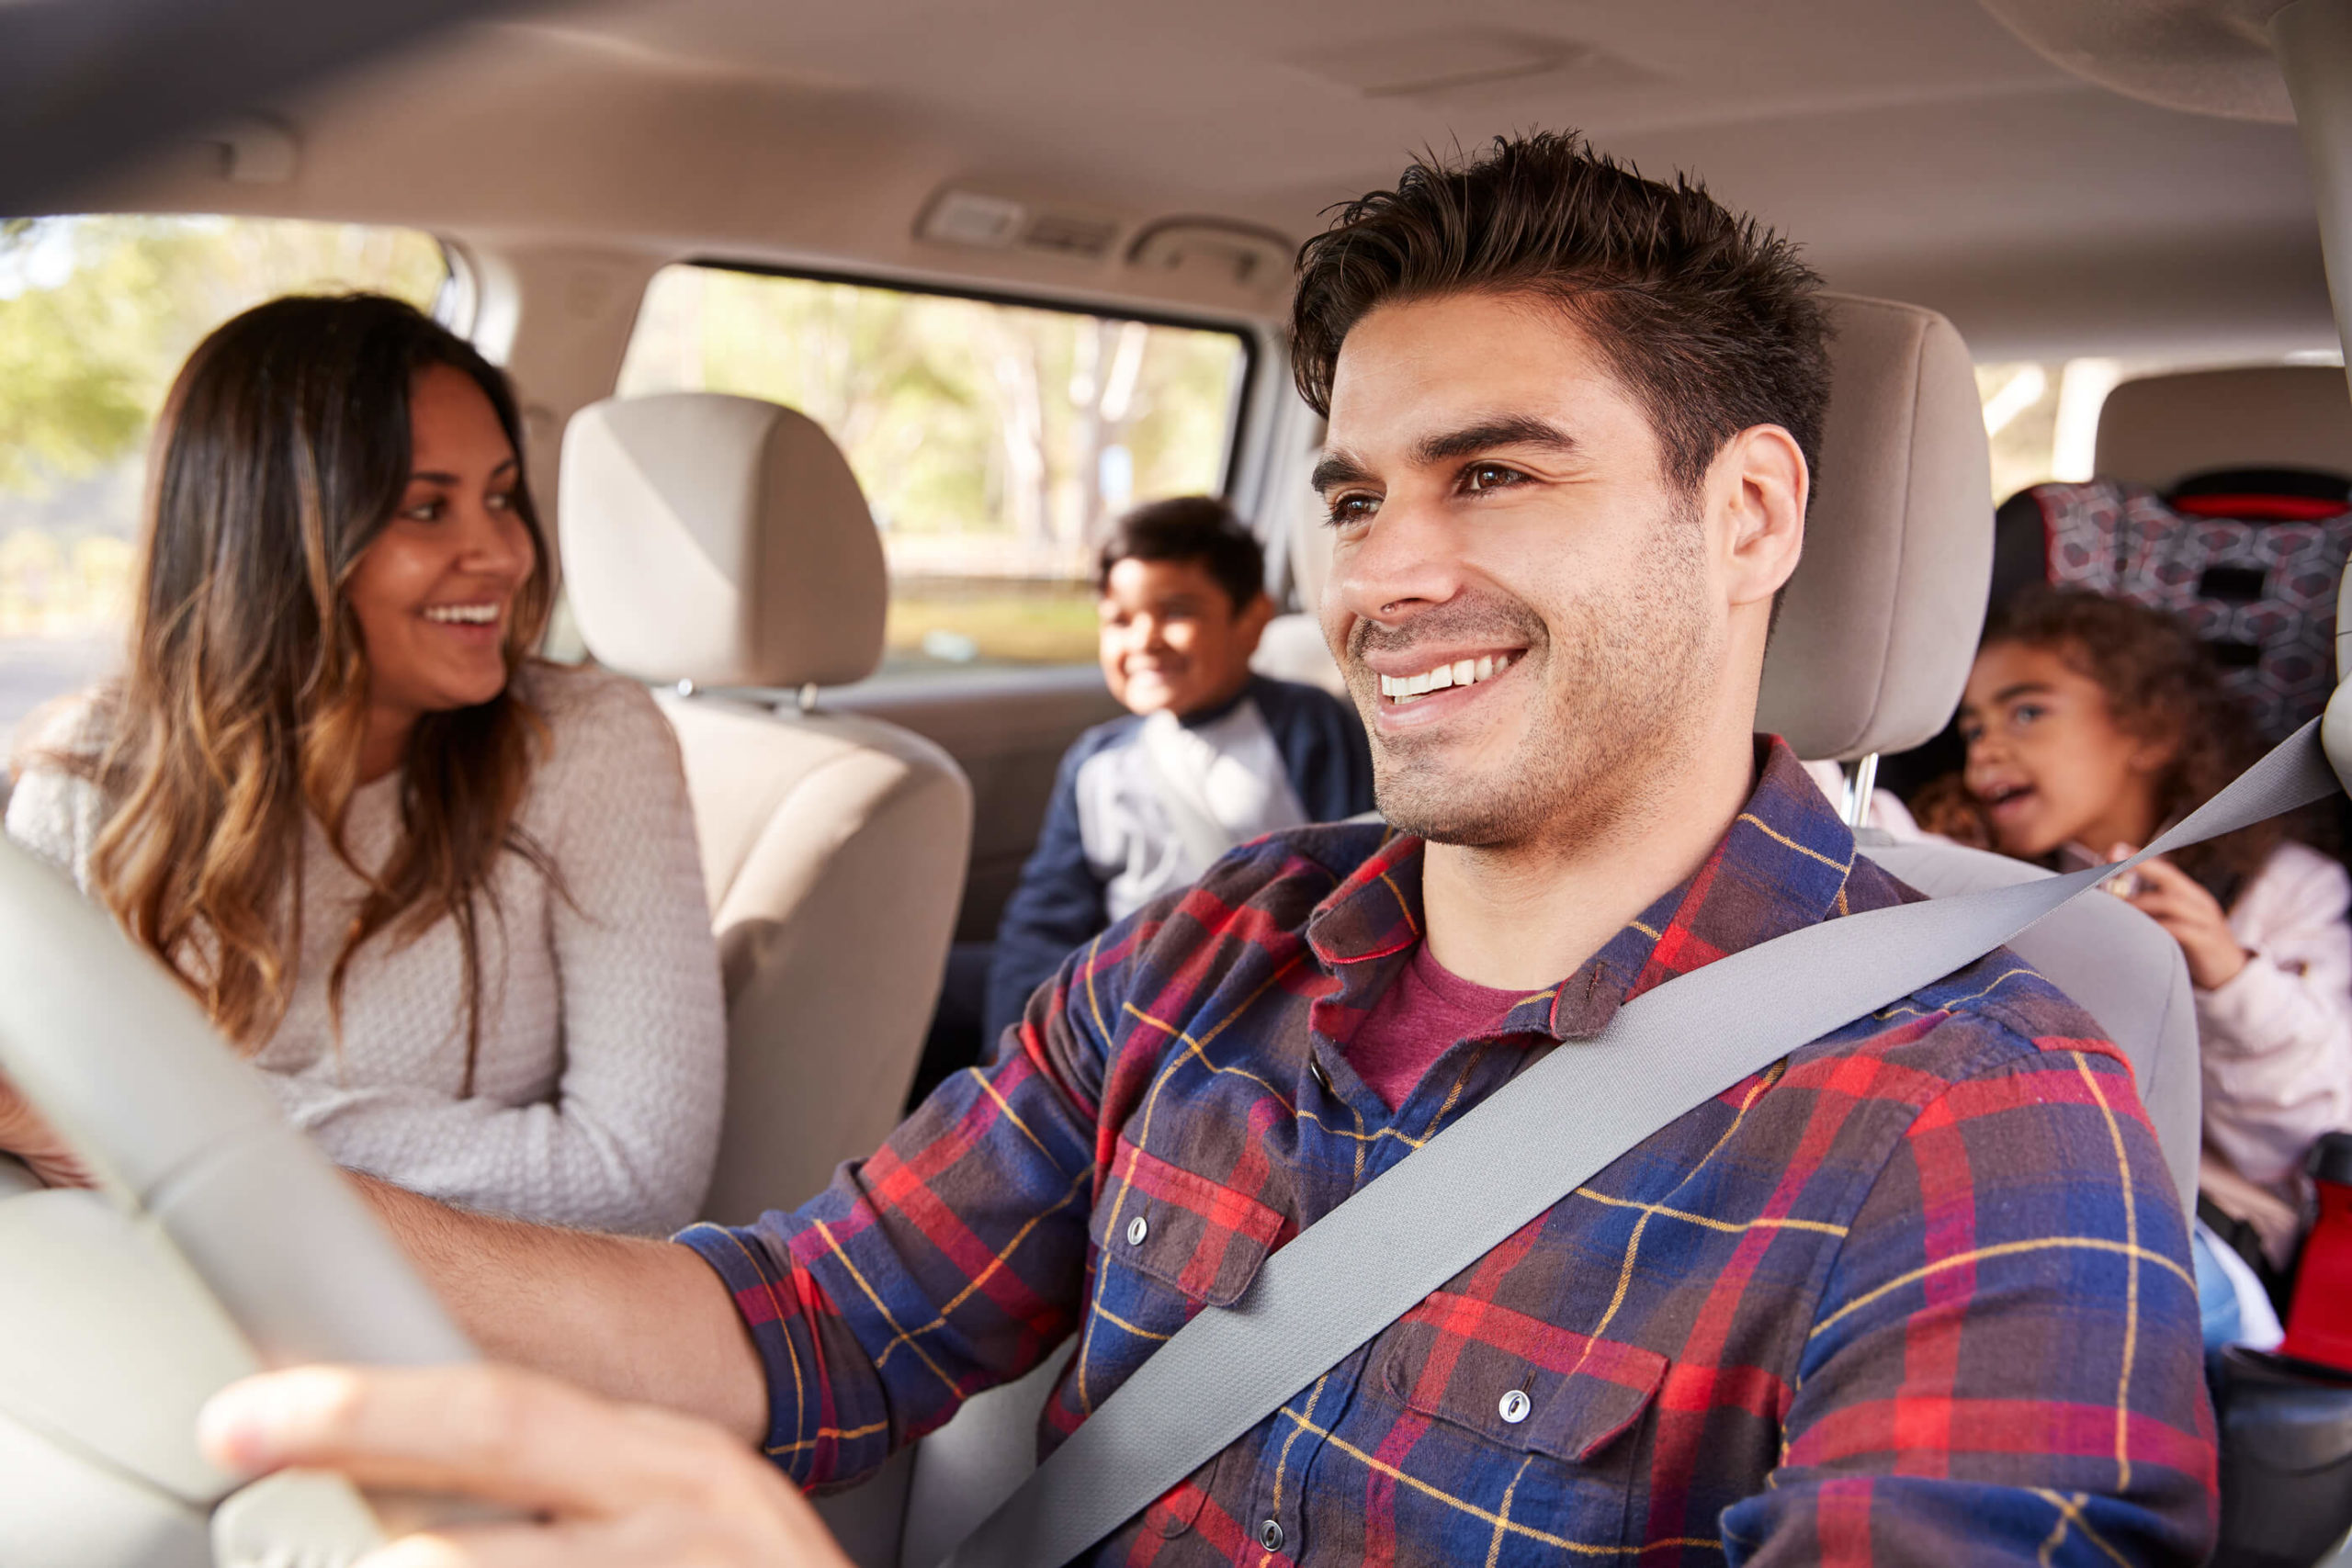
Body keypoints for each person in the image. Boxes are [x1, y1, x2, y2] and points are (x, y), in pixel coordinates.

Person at [26, 135, 2215, 1563]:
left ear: (1743, 517)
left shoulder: (1975, 1118)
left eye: (1496, 474)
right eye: (1354, 494)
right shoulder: (1214, 950)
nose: (1385, 574)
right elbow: (796, 1314)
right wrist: (217, 1181)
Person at [3, 293, 726, 1235]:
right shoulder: (86, 784)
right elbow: (31, 1135)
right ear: (267, 543)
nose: (504, 552)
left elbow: (634, 1179)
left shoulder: (584, 745)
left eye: (501, 497)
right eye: (428, 509)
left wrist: (164, 1125)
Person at [1930, 588, 2352, 1292]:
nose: (1988, 748)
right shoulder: (1988, 875)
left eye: (2028, 712)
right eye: (1972, 730)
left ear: (2148, 731)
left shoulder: (2282, 889)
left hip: (2205, 1226)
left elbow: (2315, 1129)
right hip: (2015, 1177)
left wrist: (2227, 975)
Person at [983, 495, 1373, 1043]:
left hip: (1251, 994)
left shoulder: (1306, 725)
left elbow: (1356, 879)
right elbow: (1044, 916)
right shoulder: (1096, 759)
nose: (1144, 640)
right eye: (1119, 620)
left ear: (1252, 620)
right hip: (1116, 993)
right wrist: (1017, 1039)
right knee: (922, 980)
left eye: (1177, 612)